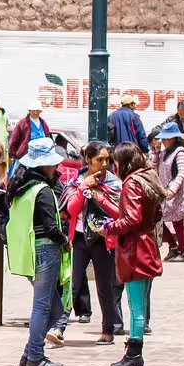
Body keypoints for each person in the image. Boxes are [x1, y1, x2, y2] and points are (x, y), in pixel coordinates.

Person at [8, 137, 69, 366]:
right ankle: (35, 355)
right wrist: (65, 241)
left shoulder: (22, 189)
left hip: (30, 251)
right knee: (44, 307)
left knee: (50, 307)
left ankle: (29, 353)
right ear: (43, 165)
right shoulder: (42, 191)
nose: (56, 168)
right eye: (53, 163)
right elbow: (52, 228)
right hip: (46, 250)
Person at [104, 142, 166, 366]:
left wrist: (110, 228)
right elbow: (156, 212)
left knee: (136, 305)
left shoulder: (131, 184)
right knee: (140, 302)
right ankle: (133, 352)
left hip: (136, 250)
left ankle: (134, 354)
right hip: (146, 245)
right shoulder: (147, 178)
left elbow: (131, 219)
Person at [70, 140, 124, 344]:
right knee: (73, 284)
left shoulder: (114, 183)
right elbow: (72, 210)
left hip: (103, 239)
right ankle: (59, 326)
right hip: (80, 238)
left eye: (106, 160)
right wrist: (84, 188)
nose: (104, 164)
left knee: (104, 287)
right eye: (99, 160)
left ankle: (108, 329)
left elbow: (118, 212)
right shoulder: (77, 181)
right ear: (87, 160)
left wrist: (99, 197)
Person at [154, 124, 184, 262]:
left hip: (177, 194)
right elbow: (155, 168)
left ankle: (182, 251)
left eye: (166, 138)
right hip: (164, 192)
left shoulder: (180, 152)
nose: (163, 141)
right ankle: (173, 247)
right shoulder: (164, 153)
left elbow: (181, 173)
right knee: (160, 219)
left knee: (177, 222)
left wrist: (173, 190)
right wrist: (156, 153)